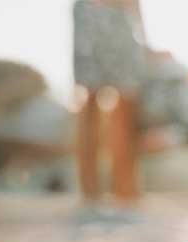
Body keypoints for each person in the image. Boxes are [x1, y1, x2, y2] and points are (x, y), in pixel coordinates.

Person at [73, 0, 149, 203]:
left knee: (125, 102)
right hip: (96, 11)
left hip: (113, 13)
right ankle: (94, 189)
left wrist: (144, 37)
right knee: (94, 101)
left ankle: (122, 187)